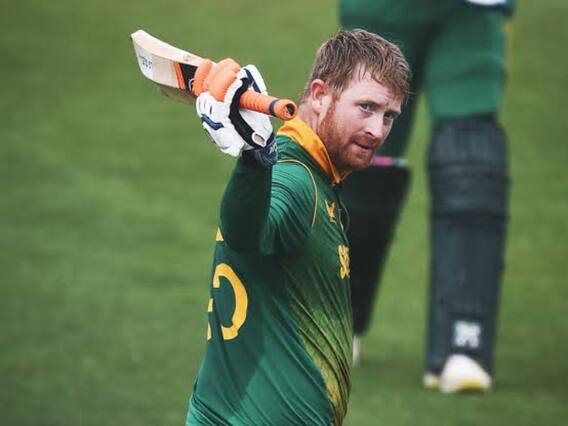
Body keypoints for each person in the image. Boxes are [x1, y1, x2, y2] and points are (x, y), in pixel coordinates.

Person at [185, 30, 410, 425]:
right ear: (320, 95)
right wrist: (254, 158)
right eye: (366, 107)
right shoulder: (295, 179)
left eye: (388, 116)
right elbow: (245, 231)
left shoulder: (316, 175)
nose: (377, 130)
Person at [339, 0, 514, 392]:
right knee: (360, 146)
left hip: (469, 14)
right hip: (381, 11)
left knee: (470, 156)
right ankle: (335, 322)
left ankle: (463, 339)